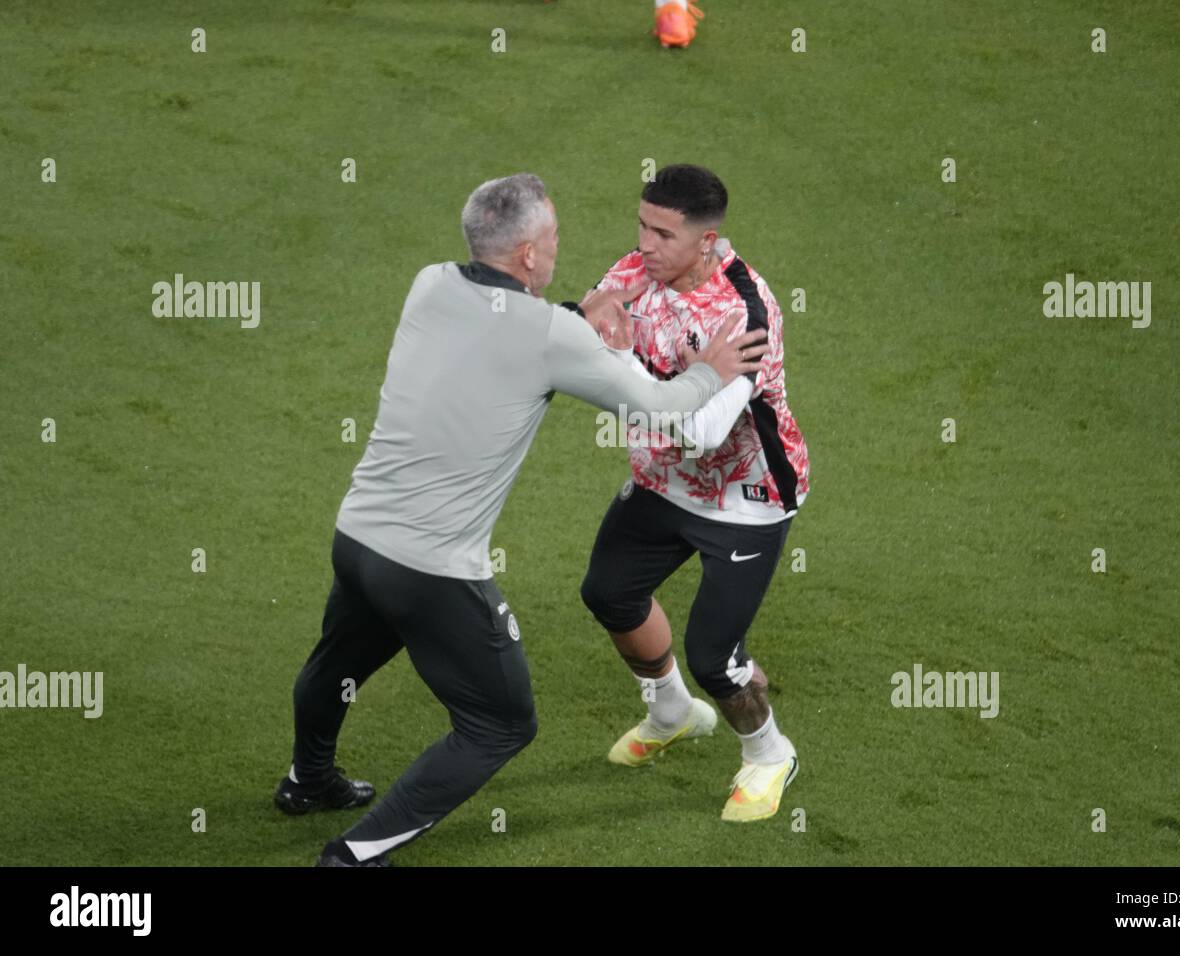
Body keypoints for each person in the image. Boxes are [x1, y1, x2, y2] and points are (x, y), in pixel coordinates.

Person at [273, 173, 769, 865]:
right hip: (432, 573)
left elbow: (501, 334)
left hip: (358, 539)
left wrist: (575, 317)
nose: (561, 247)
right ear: (530, 256)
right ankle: (354, 856)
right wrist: (712, 370)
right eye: (554, 238)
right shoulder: (551, 334)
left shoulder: (430, 282)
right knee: (500, 724)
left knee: (337, 664)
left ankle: (308, 779)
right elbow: (664, 411)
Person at [580, 164, 810, 822]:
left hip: (746, 497)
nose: (643, 246)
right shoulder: (637, 270)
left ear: (707, 241)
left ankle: (769, 754)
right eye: (641, 226)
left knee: (716, 657)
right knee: (609, 593)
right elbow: (582, 326)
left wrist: (618, 363)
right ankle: (673, 712)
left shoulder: (747, 314)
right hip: (662, 481)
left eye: (662, 234)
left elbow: (704, 433)